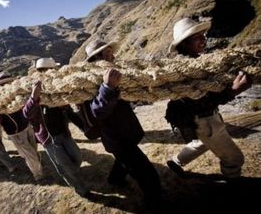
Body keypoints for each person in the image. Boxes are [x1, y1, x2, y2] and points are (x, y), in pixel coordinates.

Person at [165, 17, 252, 178]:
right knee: (235, 159)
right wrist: (232, 91)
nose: (203, 40)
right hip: (204, 121)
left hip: (204, 120)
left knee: (202, 142)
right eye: (197, 37)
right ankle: (234, 184)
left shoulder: (196, 63)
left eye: (203, 35)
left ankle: (176, 162)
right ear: (184, 43)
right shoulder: (185, 70)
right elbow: (198, 103)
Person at [84, 41, 162, 211]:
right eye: (106, 54)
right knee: (149, 176)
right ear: (95, 59)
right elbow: (97, 112)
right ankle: (154, 204)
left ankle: (115, 179)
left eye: (112, 53)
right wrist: (106, 88)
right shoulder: (88, 82)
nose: (112, 56)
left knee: (124, 161)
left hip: (127, 133)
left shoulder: (115, 75)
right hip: (118, 140)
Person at [23, 57, 89, 197]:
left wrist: (83, 127)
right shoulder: (31, 90)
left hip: (64, 133)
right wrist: (34, 97)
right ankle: (80, 189)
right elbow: (26, 114)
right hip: (48, 138)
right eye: (48, 70)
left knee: (77, 158)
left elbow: (69, 111)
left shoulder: (57, 89)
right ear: (41, 72)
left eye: (52, 70)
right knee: (65, 166)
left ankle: (73, 174)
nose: (51, 72)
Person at [0, 71, 43, 180]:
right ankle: (38, 175)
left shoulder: (19, 95)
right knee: (30, 155)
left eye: (8, 83)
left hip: (27, 127)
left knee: (34, 150)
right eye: (2, 84)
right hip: (16, 133)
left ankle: (37, 165)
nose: (5, 86)